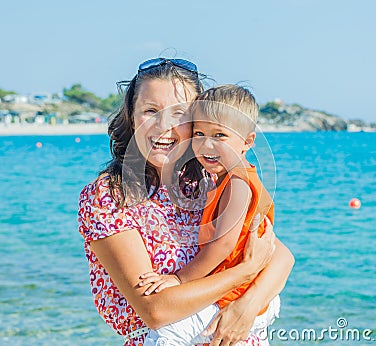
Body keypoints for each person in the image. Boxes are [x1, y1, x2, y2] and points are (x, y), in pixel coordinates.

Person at [78, 58, 295, 346]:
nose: (164, 127)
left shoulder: (208, 181)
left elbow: (280, 256)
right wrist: (245, 271)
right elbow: (156, 310)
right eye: (150, 111)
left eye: (179, 115)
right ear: (132, 117)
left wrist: (248, 305)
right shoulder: (111, 196)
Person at [141, 85, 281, 346]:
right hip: (238, 293)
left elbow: (224, 244)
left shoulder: (237, 184)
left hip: (235, 297)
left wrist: (179, 279)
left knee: (167, 335)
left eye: (219, 135)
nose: (207, 144)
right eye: (199, 133)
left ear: (248, 142)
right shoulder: (225, 178)